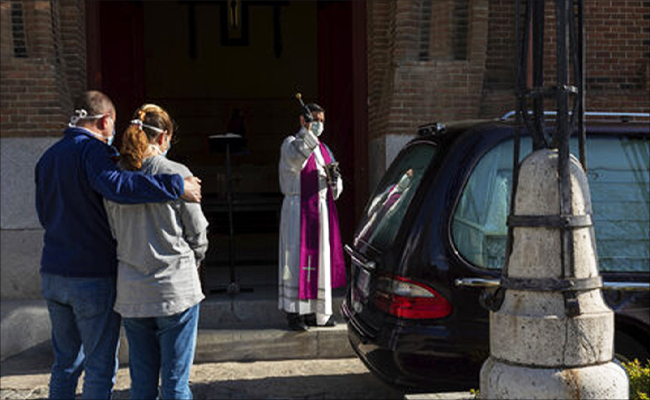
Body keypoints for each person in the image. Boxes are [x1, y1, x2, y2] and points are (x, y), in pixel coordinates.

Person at [34, 91, 202, 400]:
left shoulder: (48, 157)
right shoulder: (94, 153)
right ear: (105, 121)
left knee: (65, 365)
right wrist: (176, 186)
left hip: (54, 271)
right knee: (99, 367)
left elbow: (44, 214)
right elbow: (119, 187)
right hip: (92, 274)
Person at [103, 104, 209, 400]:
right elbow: (197, 231)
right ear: (163, 137)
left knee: (142, 382)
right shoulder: (177, 173)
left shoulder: (115, 180)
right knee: (175, 383)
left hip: (133, 289)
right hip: (174, 286)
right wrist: (196, 258)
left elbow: (113, 231)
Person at [278, 102, 346, 331]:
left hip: (320, 211)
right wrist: (307, 133)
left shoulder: (325, 150)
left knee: (320, 261)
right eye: (315, 120)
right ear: (303, 120)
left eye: (322, 121)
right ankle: (295, 314)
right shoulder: (291, 143)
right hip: (298, 210)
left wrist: (334, 182)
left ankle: (316, 314)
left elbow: (336, 180)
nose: (319, 125)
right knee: (295, 260)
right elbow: (296, 158)